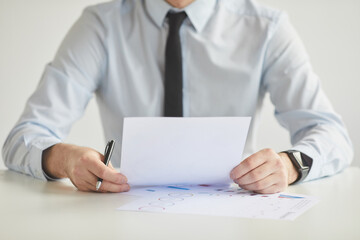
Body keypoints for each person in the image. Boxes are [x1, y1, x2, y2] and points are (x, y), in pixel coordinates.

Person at [2, 0, 353, 194]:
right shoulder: (100, 26)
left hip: (234, 214)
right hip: (122, 215)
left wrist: (291, 165)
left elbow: (331, 134)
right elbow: (24, 136)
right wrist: (63, 159)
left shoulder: (267, 28)